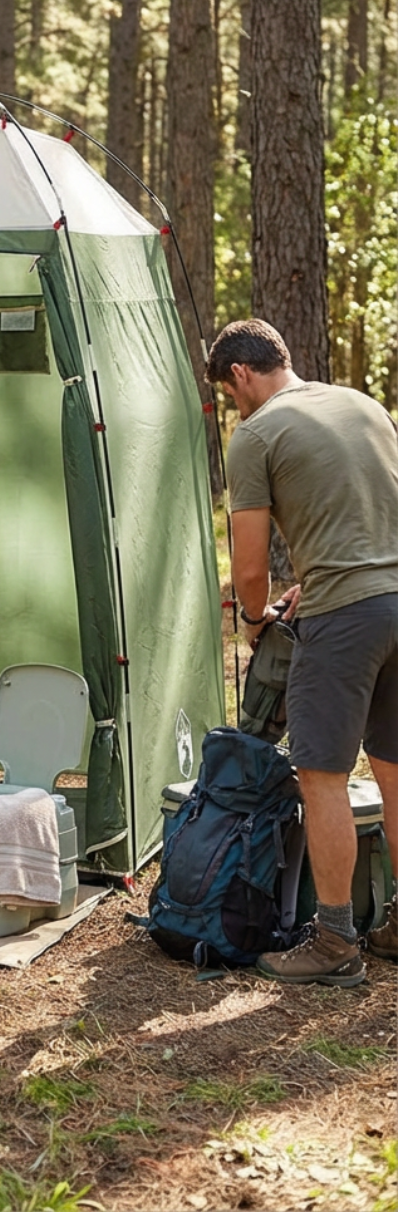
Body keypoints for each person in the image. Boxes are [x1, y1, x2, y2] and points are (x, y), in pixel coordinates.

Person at [206, 319, 398, 985]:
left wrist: (256, 617)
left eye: (230, 395)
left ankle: (335, 942)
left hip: (346, 616)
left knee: (320, 775)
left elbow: (249, 566)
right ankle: (395, 926)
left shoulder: (255, 433)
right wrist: (310, 586)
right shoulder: (361, 404)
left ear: (238, 376)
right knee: (395, 767)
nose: (236, 406)